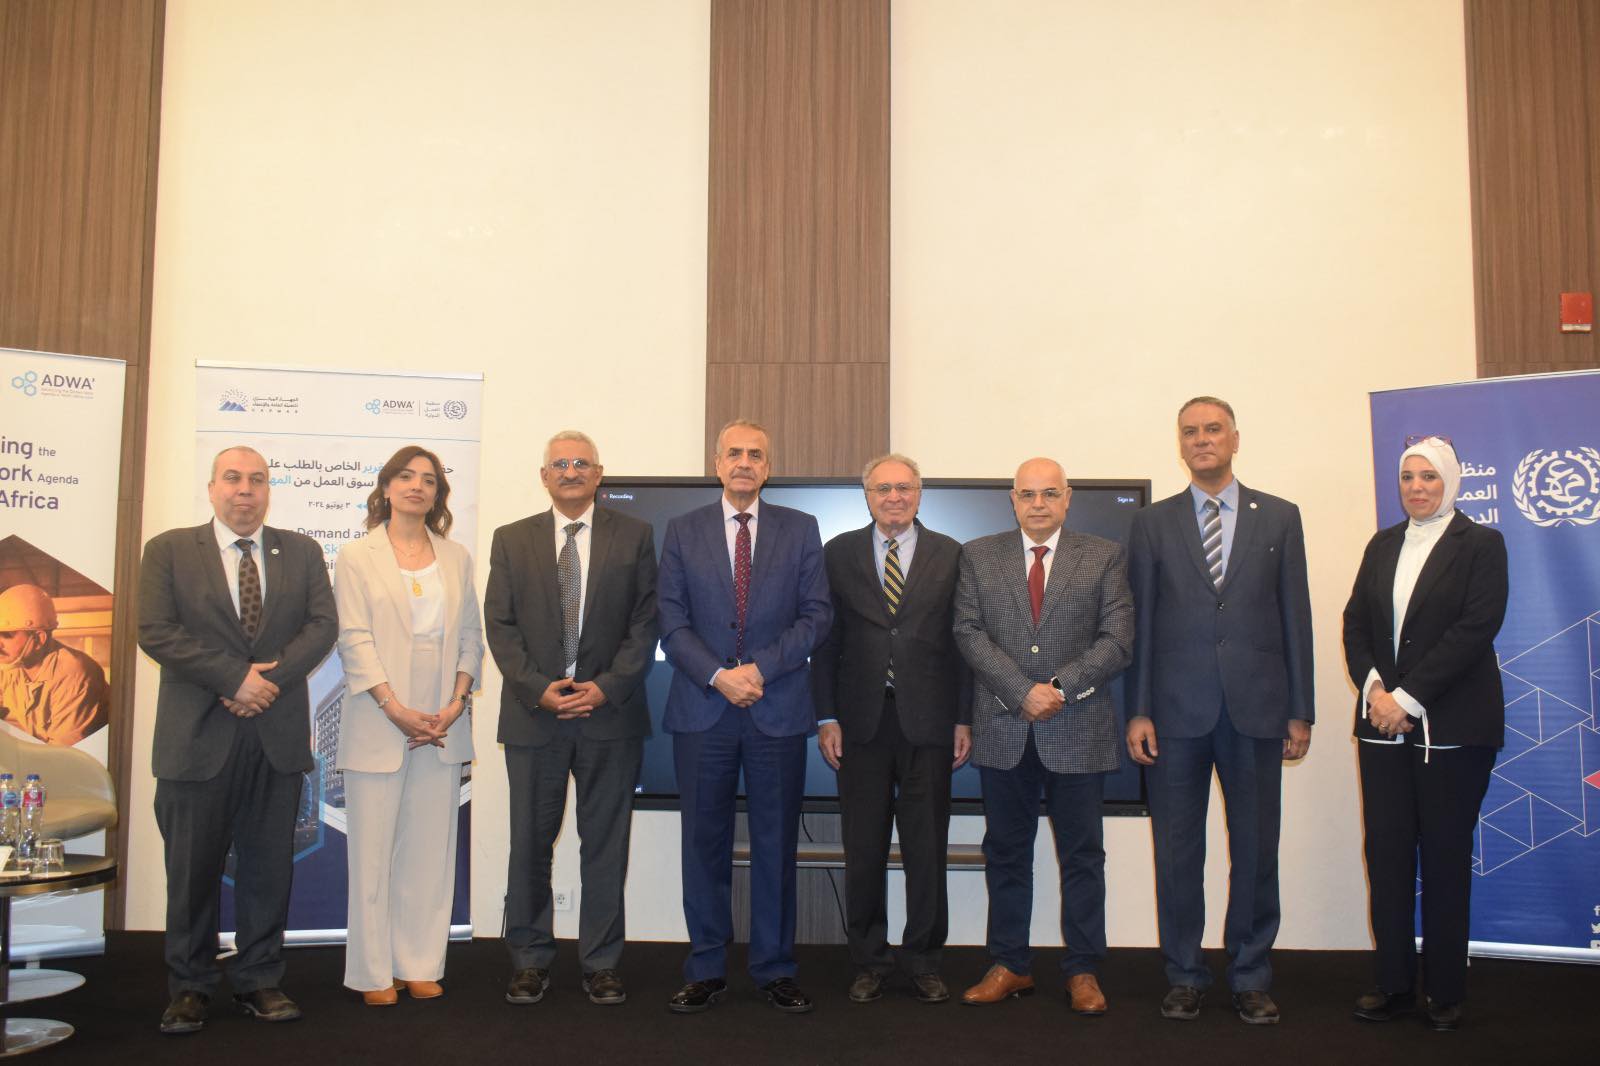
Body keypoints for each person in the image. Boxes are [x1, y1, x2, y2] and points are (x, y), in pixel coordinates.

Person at [1124, 396, 1314, 1026]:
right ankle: (1184, 974)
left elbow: (1295, 616)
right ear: (1180, 445)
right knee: (1177, 852)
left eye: (1213, 429)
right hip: (1174, 714)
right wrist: (1138, 709)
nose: (1201, 439)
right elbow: (1141, 622)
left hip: (1258, 710)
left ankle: (1251, 974)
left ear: (1235, 438)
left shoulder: (1280, 517)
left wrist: (1300, 709)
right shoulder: (1152, 523)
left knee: (1256, 850)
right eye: (1190, 432)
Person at [138, 445, 337, 1034]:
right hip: (196, 738)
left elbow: (322, 626)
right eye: (233, 478)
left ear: (269, 490)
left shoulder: (301, 551)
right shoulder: (169, 550)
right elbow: (155, 630)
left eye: (257, 479)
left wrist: (263, 683)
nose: (245, 489)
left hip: (274, 736)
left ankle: (259, 979)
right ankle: (190, 986)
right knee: (191, 871)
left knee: (268, 868)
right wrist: (232, 679)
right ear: (212, 488)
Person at [658, 419, 832, 1014]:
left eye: (755, 454)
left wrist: (759, 669)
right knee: (702, 845)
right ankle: (706, 968)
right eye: (734, 453)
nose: (744, 462)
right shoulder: (682, 530)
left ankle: (775, 968)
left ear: (768, 467)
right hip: (702, 709)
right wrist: (718, 675)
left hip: (774, 708)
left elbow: (816, 615)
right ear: (717, 463)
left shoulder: (800, 529)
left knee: (775, 844)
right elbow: (670, 620)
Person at [952, 457, 1132, 1015]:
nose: (1038, 503)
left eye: (1049, 493)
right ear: (1012, 499)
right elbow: (967, 632)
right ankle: (1010, 964)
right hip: (1004, 729)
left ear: (1067, 498)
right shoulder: (978, 555)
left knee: (1083, 857)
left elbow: (1118, 639)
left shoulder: (1103, 556)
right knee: (1006, 853)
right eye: (1027, 494)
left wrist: (1057, 688)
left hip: (1078, 729)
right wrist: (1019, 691)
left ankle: (1083, 970)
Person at [484, 431, 658, 1007]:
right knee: (529, 844)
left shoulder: (635, 536)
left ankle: (601, 963)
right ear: (544, 476)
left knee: (605, 845)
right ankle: (530, 960)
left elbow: (645, 624)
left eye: (582, 463)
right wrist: (540, 690)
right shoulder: (511, 539)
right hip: (536, 718)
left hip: (610, 718)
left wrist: (605, 688)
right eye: (559, 463)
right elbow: (500, 626)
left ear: (599, 474)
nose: (571, 471)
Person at [1342, 435, 1507, 1032]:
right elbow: (1355, 623)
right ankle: (1392, 984)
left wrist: (1406, 699)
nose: (1416, 487)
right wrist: (1376, 692)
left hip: (1454, 728)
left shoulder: (1481, 544)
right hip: (1381, 726)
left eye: (1429, 477)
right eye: (1408, 477)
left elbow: (1476, 628)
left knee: (1443, 855)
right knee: (1386, 854)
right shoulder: (1382, 544)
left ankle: (1445, 990)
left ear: (1451, 482)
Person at [812, 453, 970, 1005]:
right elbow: (825, 645)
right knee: (863, 850)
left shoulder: (952, 554)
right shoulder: (838, 553)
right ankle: (870, 961)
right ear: (868, 496)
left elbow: (964, 644)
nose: (894, 497)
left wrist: (964, 718)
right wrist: (826, 716)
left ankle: (924, 960)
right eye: (883, 488)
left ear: (919, 494)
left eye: (904, 487)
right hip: (860, 725)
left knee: (926, 850)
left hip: (930, 724)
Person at [333, 445, 482, 1006]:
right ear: (387, 487)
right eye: (406, 476)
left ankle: (417, 963)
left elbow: (471, 637)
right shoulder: (357, 556)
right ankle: (373, 973)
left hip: (442, 722)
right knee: (372, 856)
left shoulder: (456, 557)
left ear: (439, 493)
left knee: (429, 852)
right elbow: (354, 639)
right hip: (379, 717)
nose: (417, 486)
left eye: (429, 479)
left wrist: (456, 703)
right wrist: (394, 708)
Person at [0, 583, 110, 745]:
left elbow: (61, 754)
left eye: (6, 635)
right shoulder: (10, 668)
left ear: (38, 639)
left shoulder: (74, 675)